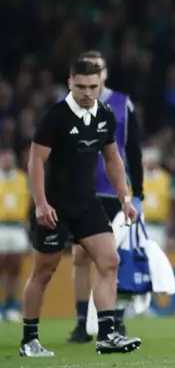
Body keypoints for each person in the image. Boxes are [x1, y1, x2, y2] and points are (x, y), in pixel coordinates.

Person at [22, 60, 142, 357]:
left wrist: (125, 199)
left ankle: (107, 334)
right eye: (81, 87)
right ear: (70, 83)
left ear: (100, 85)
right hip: (54, 205)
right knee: (44, 271)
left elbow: (113, 158)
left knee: (109, 261)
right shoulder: (56, 117)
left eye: (93, 87)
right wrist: (40, 203)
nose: (87, 93)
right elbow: (36, 161)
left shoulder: (105, 114)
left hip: (86, 202)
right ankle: (29, 340)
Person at [67, 51, 144, 343]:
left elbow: (133, 148)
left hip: (115, 191)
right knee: (80, 256)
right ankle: (80, 320)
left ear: (105, 73)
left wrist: (138, 191)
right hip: (81, 189)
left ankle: (113, 320)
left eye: (97, 68)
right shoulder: (68, 106)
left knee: (113, 257)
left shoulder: (123, 103)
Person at [0, 148, 30, 323]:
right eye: (4, 158)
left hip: (18, 228)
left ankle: (12, 305)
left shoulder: (22, 179)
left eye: (9, 158)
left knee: (15, 268)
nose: (7, 161)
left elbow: (29, 201)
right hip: (1, 227)